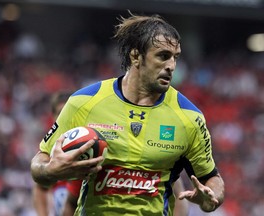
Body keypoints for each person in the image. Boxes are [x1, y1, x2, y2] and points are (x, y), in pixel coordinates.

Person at [31, 12, 225, 215]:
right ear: (135, 55)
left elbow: (212, 178)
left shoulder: (190, 117)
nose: (171, 66)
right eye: (163, 56)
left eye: (175, 57)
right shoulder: (84, 103)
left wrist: (211, 197)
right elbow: (39, 163)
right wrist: (50, 170)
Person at [32, 91, 74, 216]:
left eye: (68, 112)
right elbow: (40, 188)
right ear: (54, 117)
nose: (65, 117)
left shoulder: (89, 141)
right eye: (60, 113)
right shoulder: (48, 149)